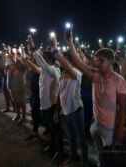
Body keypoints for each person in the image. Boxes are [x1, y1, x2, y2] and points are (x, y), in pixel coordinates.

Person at [66, 32, 126, 167]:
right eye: (96, 60)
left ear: (110, 62)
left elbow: (123, 108)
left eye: (101, 61)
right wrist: (70, 42)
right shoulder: (95, 75)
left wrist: (120, 129)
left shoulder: (119, 81)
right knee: (101, 153)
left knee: (110, 157)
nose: (97, 63)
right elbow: (77, 62)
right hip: (96, 125)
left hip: (110, 128)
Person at [50, 36, 88, 167]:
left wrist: (55, 48)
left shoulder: (77, 72)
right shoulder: (62, 75)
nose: (62, 63)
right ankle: (73, 159)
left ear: (71, 62)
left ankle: (84, 162)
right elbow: (60, 94)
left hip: (77, 110)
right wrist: (57, 110)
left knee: (81, 138)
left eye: (66, 60)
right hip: (65, 112)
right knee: (71, 138)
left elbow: (66, 66)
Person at [27, 37, 64, 164]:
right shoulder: (44, 70)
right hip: (44, 106)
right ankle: (53, 148)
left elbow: (41, 64)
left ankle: (60, 152)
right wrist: (27, 61)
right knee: (51, 130)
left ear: (49, 60)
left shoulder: (54, 70)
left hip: (52, 106)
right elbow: (37, 68)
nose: (41, 60)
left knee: (56, 131)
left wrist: (33, 48)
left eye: (44, 58)